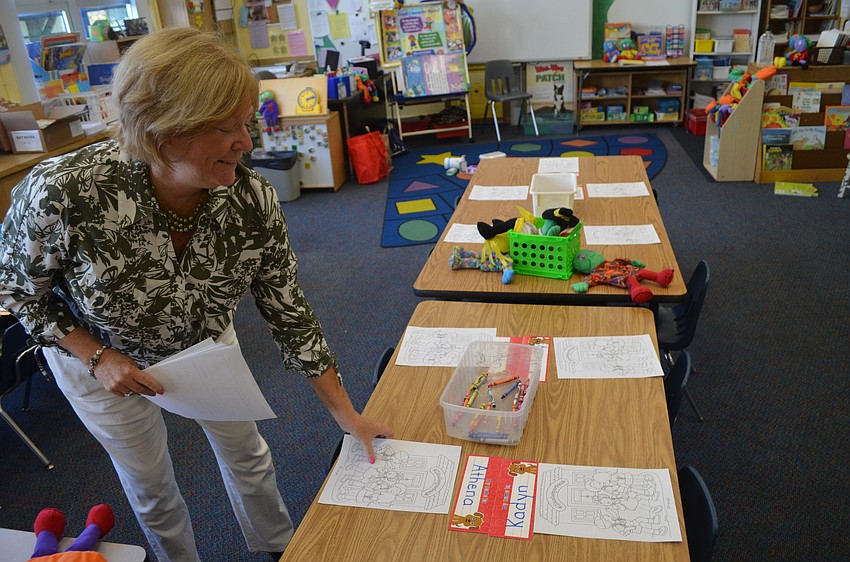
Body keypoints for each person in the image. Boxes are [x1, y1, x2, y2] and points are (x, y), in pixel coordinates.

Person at [0, 28, 392, 562]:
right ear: (163, 132)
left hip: (205, 349)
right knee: (153, 487)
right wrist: (95, 356)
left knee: (248, 454)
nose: (247, 142)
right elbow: (21, 294)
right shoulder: (65, 192)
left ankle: (278, 549)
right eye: (226, 128)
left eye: (247, 123)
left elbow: (289, 311)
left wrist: (346, 415)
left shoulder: (250, 200)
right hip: (104, 363)